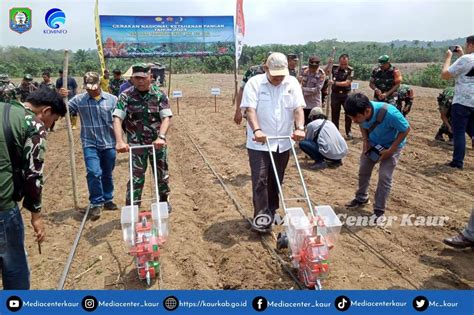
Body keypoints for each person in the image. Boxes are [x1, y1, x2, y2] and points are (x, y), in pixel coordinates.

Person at [0, 88, 66, 289]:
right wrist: (36, 215)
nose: (50, 126)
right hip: (3, 207)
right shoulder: (33, 124)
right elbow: (33, 174)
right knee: (13, 265)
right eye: (52, 120)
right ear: (45, 111)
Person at [240, 52, 306, 233]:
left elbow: (298, 108)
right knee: (260, 179)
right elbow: (250, 110)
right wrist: (257, 130)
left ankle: (271, 210)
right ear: (266, 68)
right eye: (275, 75)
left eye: (281, 75)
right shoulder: (254, 83)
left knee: (276, 179)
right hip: (259, 142)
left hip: (283, 142)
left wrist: (300, 127)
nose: (278, 79)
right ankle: (261, 217)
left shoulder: (292, 83)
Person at [112, 63, 172, 209]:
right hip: (136, 146)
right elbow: (117, 118)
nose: (140, 81)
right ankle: (133, 206)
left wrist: (161, 137)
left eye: (143, 78)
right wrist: (119, 141)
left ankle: (163, 200)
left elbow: (166, 117)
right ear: (132, 78)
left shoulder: (159, 95)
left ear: (150, 77)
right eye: (136, 78)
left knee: (162, 175)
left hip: (156, 144)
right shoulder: (126, 96)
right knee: (136, 178)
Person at [60, 72, 118, 220]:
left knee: (107, 172)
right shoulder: (79, 100)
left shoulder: (112, 100)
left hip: (109, 143)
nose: (91, 90)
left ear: (99, 84)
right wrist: (60, 97)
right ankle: (96, 203)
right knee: (93, 172)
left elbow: (120, 120)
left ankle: (107, 199)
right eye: (88, 88)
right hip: (90, 143)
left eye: (93, 87)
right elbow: (62, 110)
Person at [344, 93, 410, 222]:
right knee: (363, 169)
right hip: (373, 143)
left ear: (367, 111)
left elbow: (406, 129)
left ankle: (379, 210)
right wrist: (365, 140)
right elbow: (362, 124)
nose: (354, 121)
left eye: (356, 117)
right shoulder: (361, 114)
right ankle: (361, 198)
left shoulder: (390, 114)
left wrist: (390, 151)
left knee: (384, 176)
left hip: (391, 146)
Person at [441, 35, 474, 169]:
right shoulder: (465, 58)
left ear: (471, 45)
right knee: (472, 129)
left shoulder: (466, 59)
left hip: (462, 101)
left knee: (459, 131)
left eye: (467, 45)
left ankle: (457, 162)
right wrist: (461, 54)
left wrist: (448, 58)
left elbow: (445, 75)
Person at [326, 54, 354, 139]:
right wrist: (329, 64)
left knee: (349, 114)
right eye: (342, 64)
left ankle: (348, 132)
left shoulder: (350, 70)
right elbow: (324, 72)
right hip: (335, 94)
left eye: (345, 64)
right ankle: (335, 132)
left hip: (346, 95)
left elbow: (347, 82)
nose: (343, 66)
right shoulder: (333, 68)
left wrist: (334, 83)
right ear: (339, 62)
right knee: (335, 114)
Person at [234, 58, 267, 125]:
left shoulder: (282, 73)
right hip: (253, 112)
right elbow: (242, 90)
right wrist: (238, 111)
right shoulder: (252, 71)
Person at [300, 56, 326, 125]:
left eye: (315, 68)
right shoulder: (303, 70)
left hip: (314, 103)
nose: (313, 69)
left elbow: (317, 89)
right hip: (303, 102)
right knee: (303, 123)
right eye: (311, 67)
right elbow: (299, 82)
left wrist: (303, 89)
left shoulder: (321, 74)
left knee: (315, 124)